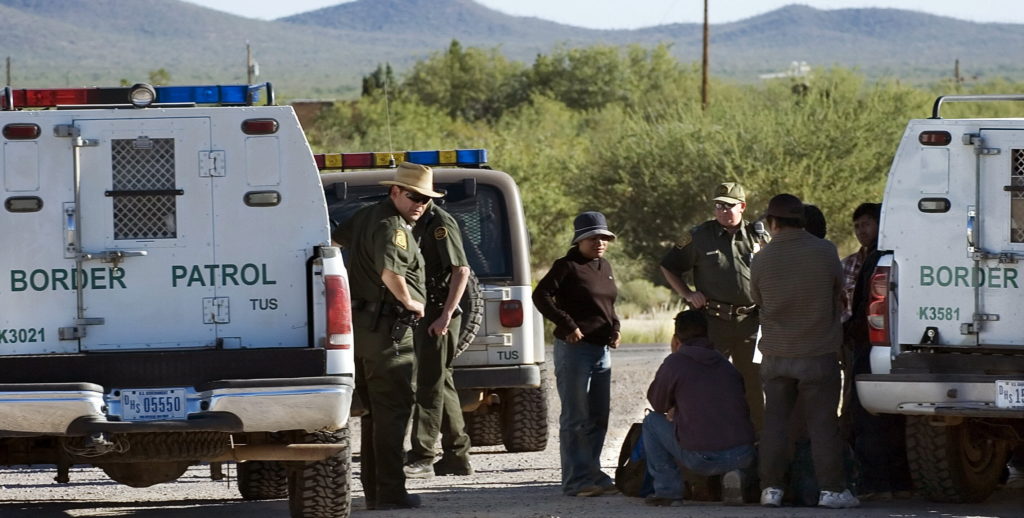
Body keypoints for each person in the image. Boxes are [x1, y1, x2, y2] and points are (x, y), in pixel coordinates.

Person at [331, 161, 441, 510]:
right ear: (394, 191)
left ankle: (377, 491)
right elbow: (391, 270)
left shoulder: (366, 216)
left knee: (376, 414)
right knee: (393, 411)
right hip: (389, 334)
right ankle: (390, 492)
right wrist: (410, 301)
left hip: (363, 331)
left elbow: (334, 239)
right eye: (413, 196)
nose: (420, 204)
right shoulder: (394, 227)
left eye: (425, 198)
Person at [750, 193, 859, 509]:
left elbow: (757, 297)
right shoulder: (825, 252)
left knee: (775, 424)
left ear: (772, 223)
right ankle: (831, 491)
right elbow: (838, 291)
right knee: (823, 425)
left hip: (775, 355)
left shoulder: (762, 258)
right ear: (801, 221)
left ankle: (770, 489)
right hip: (817, 354)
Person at [660, 182, 766, 431]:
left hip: (750, 323)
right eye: (718, 206)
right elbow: (669, 266)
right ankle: (710, 441)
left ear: (742, 206)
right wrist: (687, 293)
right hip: (713, 323)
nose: (722, 211)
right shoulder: (699, 236)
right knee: (708, 383)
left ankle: (757, 445)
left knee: (753, 386)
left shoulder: (759, 237)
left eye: (728, 206)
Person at [533, 211, 621, 497]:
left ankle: (592, 473)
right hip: (574, 351)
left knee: (598, 416)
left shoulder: (603, 265)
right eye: (593, 237)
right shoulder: (567, 266)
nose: (599, 242)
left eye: (604, 238)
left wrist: (615, 328)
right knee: (576, 416)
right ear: (579, 240)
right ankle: (575, 480)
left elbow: (607, 305)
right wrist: (567, 324)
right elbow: (540, 295)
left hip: (600, 350)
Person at [643, 310, 756, 507]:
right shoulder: (726, 364)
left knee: (651, 422)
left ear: (676, 337)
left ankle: (668, 491)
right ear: (707, 334)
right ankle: (733, 474)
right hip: (743, 454)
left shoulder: (675, 362)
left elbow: (657, 404)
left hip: (702, 458)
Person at [404, 202, 474, 478]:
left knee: (429, 385)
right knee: (441, 381)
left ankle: (423, 456)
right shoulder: (420, 221)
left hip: (438, 311)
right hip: (428, 311)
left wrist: (445, 315)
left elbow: (461, 271)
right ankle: (457, 455)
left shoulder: (439, 223)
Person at [840, 203, 881, 323]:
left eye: (866, 225)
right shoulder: (847, 264)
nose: (861, 231)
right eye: (857, 227)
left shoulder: (887, 261)